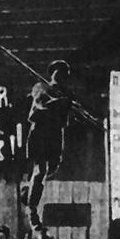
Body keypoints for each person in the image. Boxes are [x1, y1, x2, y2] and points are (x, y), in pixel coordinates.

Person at [23, 60, 75, 229]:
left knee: (52, 168)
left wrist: (64, 103)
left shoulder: (67, 93)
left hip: (54, 134)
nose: (60, 76)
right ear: (52, 73)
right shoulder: (41, 87)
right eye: (57, 72)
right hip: (41, 132)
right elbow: (36, 110)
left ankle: (29, 190)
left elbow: (65, 118)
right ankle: (32, 208)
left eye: (64, 73)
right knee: (41, 170)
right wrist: (54, 103)